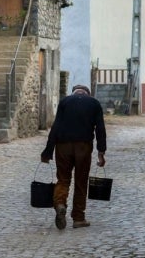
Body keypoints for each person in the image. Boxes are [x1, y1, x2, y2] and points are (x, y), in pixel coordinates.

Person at [41, 84, 106, 229]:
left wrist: (47, 151)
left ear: (74, 93)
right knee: (81, 181)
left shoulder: (65, 102)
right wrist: (101, 152)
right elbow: (100, 129)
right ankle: (78, 218)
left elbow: (56, 127)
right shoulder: (94, 103)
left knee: (63, 179)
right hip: (83, 146)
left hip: (63, 146)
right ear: (87, 94)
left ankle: (60, 203)